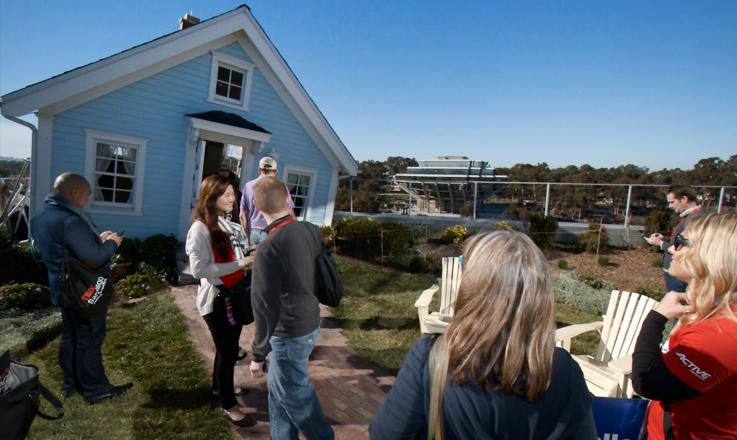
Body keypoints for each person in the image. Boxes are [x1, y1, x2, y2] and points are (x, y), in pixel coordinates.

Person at [370, 230, 596, 439]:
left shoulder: (432, 358)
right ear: (540, 297)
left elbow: (385, 434)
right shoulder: (565, 371)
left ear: (472, 289)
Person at [632, 213, 737, 439]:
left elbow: (647, 383)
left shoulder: (722, 333)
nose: (671, 249)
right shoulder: (736, 317)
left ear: (715, 256)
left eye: (681, 243)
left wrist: (656, 318)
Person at [29, 172, 132, 404]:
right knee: (89, 338)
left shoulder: (41, 214)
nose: (87, 199)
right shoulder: (70, 220)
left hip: (61, 287)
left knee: (70, 336)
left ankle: (71, 383)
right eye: (86, 195)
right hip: (83, 291)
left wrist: (97, 238)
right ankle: (96, 389)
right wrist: (111, 243)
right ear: (74, 191)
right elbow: (95, 259)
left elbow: (62, 249)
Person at [248, 177, 333, 439]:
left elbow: (264, 306)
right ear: (288, 199)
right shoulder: (310, 230)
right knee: (278, 391)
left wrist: (258, 353)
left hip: (288, 335)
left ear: (256, 207)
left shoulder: (267, 249)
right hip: (310, 322)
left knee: (294, 394)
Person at [186, 174, 255, 426]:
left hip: (234, 294)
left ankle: (219, 388)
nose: (233, 198)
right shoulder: (200, 229)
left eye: (233, 193)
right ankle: (228, 404)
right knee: (228, 353)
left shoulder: (226, 224)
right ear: (211, 197)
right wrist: (241, 262)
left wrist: (247, 254)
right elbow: (199, 270)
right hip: (216, 300)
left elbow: (231, 255)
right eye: (226, 194)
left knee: (227, 349)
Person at [645, 185, 705, 292]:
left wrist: (661, 244)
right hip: (676, 271)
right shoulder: (689, 217)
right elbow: (681, 241)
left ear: (684, 199)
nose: (670, 206)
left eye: (672, 202)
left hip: (681, 273)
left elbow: (683, 248)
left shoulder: (696, 219)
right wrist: (665, 239)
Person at [239, 156, 296, 246]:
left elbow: (242, 216)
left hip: (254, 233)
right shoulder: (280, 186)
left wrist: (248, 237)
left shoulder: (248, 186)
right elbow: (290, 213)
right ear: (276, 171)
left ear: (259, 170)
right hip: (272, 232)